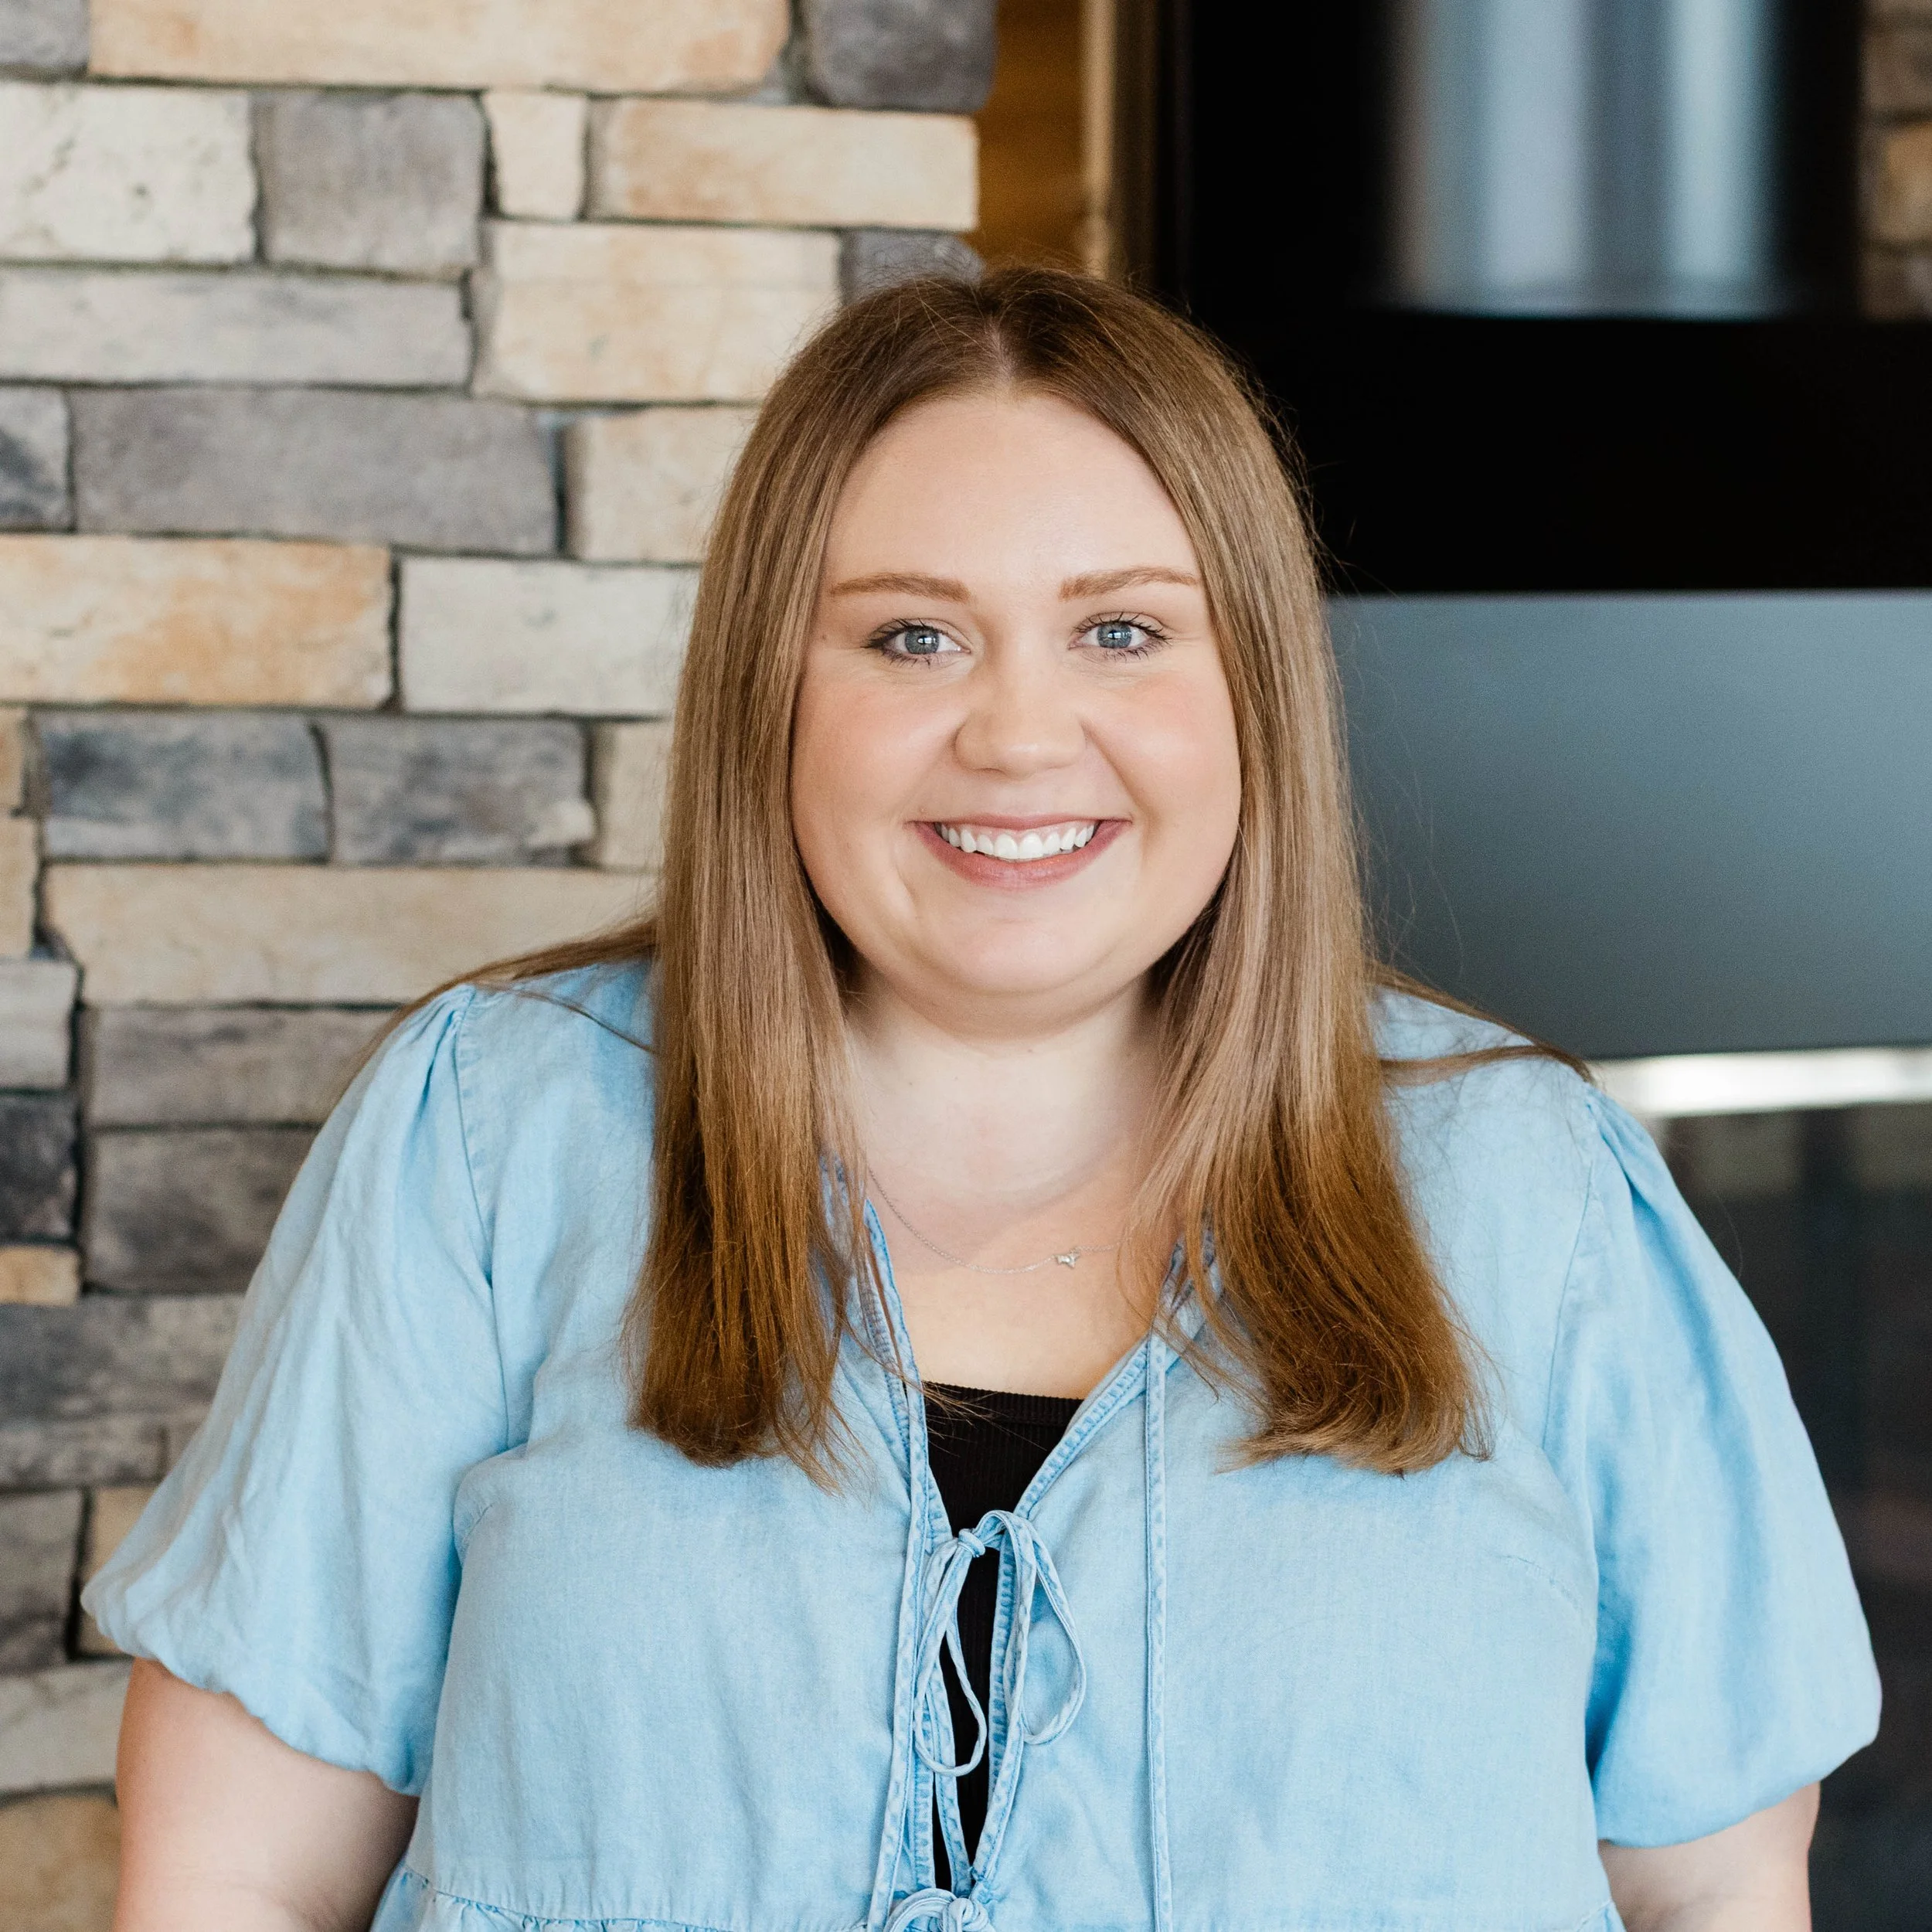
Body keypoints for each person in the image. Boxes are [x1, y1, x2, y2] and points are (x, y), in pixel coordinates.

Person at [90, 267, 1877, 1932]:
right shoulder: (483, 1136)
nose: (1020, 735)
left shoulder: (1535, 1191)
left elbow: (1715, 1889)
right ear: (765, 693)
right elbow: (228, 1873)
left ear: (1251, 684)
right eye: (909, 639)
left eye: (1119, 631)